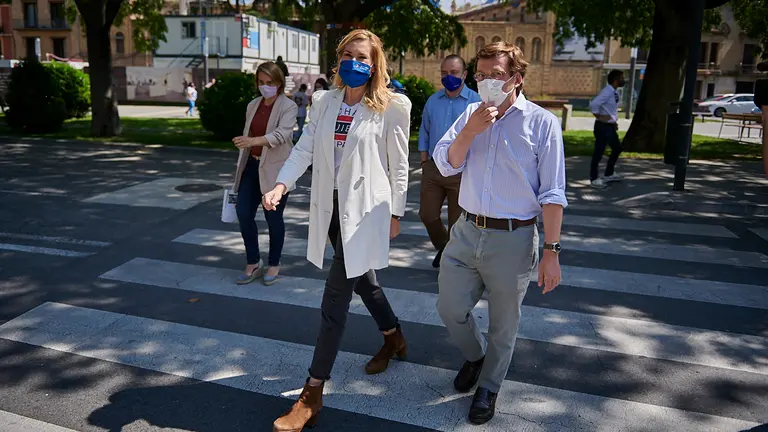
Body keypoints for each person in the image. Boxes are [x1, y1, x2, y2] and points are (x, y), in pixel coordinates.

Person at [262, 29, 411, 432]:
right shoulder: (324, 100)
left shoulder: (392, 105)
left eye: (361, 55)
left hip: (365, 214)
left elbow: (399, 164)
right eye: (347, 53)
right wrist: (281, 184)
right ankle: (394, 335)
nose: (353, 60)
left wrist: (397, 211)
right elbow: (305, 148)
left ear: (375, 63)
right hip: (329, 211)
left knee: (334, 299)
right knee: (363, 280)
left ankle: (312, 393)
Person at [434, 41, 566, 425]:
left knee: (503, 323)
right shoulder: (469, 117)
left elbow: (553, 192)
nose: (488, 81)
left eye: (497, 75)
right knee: (450, 308)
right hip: (466, 230)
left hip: (514, 237)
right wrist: (471, 130)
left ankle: (489, 385)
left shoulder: (541, 123)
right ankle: (476, 358)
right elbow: (446, 165)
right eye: (482, 75)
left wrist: (552, 251)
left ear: (516, 79)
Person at [231, 62, 298, 286]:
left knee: (273, 218)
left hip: (277, 171)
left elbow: (281, 135)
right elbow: (248, 133)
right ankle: (253, 262)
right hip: (251, 166)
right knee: (243, 213)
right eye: (261, 82)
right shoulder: (253, 105)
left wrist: (252, 141)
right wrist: (245, 142)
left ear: (279, 83)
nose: (265, 86)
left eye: (269, 83)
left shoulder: (288, 106)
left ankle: (274, 263)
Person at [418, 54, 481, 268]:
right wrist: (424, 159)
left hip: (462, 170)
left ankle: (452, 263)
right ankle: (445, 247)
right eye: (444, 73)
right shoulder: (433, 101)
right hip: (434, 168)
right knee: (427, 215)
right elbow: (424, 129)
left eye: (453, 73)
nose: (448, 77)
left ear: (464, 75)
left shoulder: (476, 102)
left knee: (457, 222)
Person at [589, 69, 625, 188]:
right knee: (599, 152)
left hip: (610, 126)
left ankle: (609, 173)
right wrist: (599, 116)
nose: (623, 80)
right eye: (621, 78)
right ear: (615, 80)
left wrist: (613, 121)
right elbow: (594, 104)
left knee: (617, 148)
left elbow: (611, 109)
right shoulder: (607, 91)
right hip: (602, 127)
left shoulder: (614, 92)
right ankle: (594, 178)